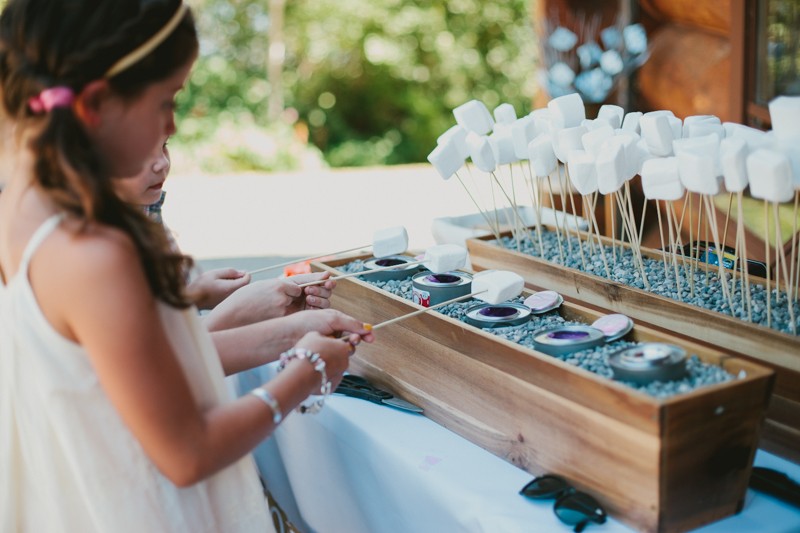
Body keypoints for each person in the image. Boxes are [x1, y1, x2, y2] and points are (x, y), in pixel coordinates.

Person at [0, 1, 373, 532]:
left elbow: (108, 372)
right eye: (165, 101)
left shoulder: (24, 205)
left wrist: (204, 305)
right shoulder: (96, 253)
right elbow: (188, 452)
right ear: (97, 103)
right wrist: (304, 371)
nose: (172, 124)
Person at [114, 136, 338, 331]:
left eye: (164, 144)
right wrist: (236, 313)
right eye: (141, 152)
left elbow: (157, 317)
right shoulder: (103, 250)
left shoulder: (144, 209)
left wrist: (194, 297)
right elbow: (158, 356)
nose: (162, 162)